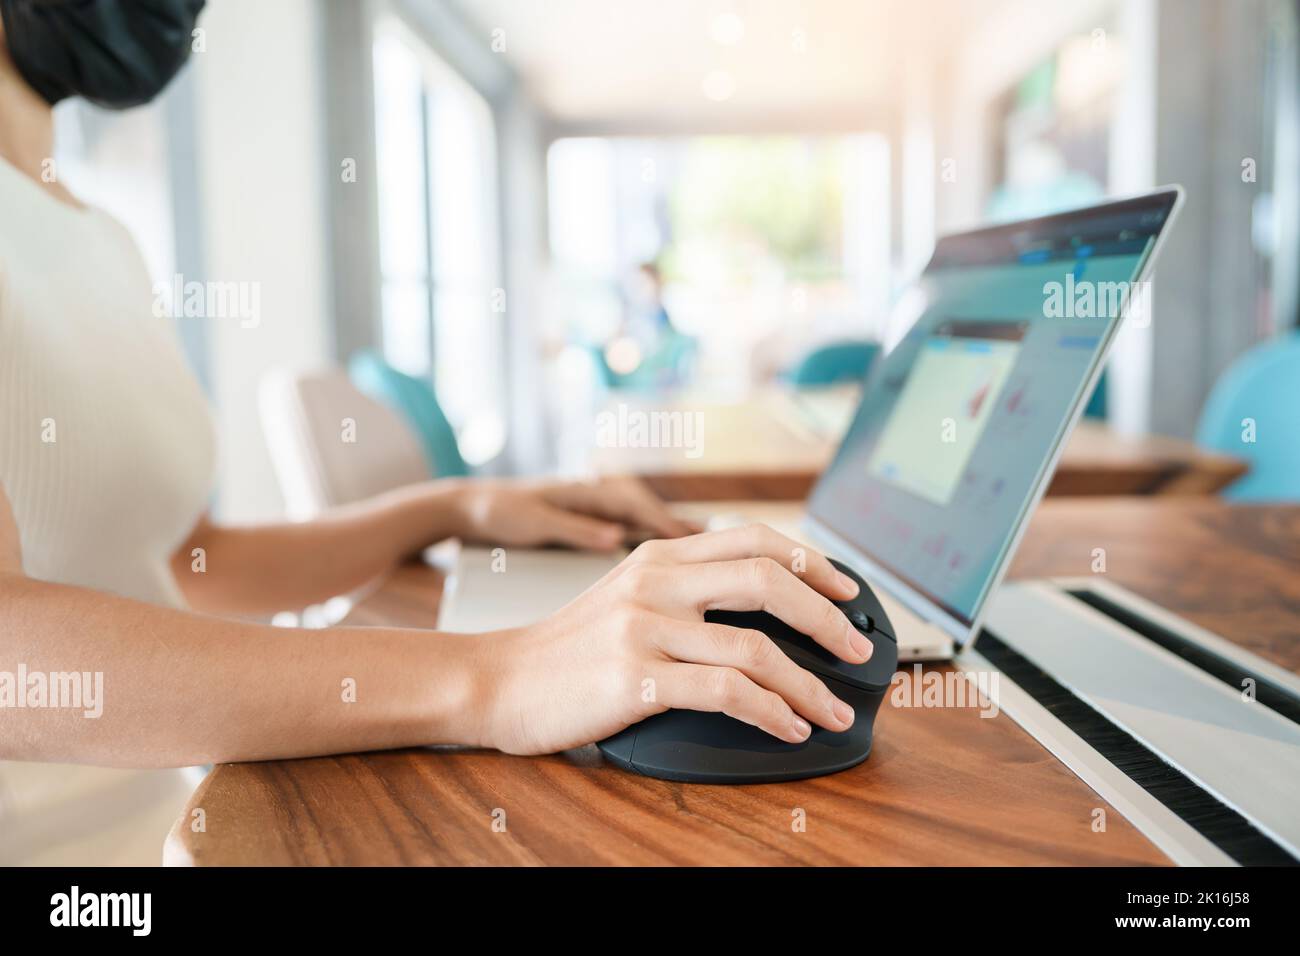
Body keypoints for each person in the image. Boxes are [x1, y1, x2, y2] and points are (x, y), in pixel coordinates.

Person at [0, 0, 867, 863]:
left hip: (186, 819)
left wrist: (459, 506)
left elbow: (194, 562)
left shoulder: (100, 234)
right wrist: (495, 676)